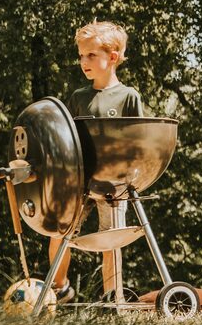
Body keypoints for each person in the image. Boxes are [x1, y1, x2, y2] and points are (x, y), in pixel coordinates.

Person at [48, 20, 144, 304]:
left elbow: (138, 141)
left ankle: (112, 297)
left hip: (115, 181)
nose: (83, 61)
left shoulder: (128, 96)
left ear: (112, 57)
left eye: (91, 55)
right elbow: (68, 139)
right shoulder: (78, 98)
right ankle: (59, 288)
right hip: (80, 179)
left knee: (111, 238)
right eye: (81, 56)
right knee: (60, 229)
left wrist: (131, 178)